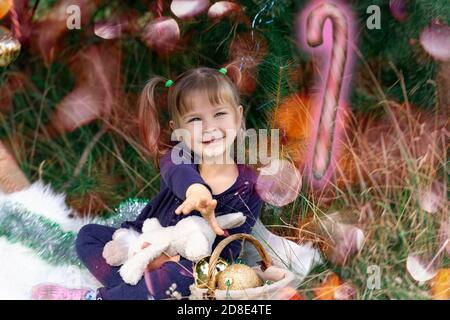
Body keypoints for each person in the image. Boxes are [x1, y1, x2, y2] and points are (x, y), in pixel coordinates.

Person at [32, 67, 263, 300]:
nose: (209, 127)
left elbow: (232, 244)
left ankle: (99, 297)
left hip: (186, 264)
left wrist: (173, 261)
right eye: (195, 119)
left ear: (238, 116)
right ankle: (136, 291)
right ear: (178, 131)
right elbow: (178, 174)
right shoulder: (178, 157)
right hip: (141, 243)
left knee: (183, 274)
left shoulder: (249, 187)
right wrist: (196, 189)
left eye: (219, 114)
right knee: (89, 235)